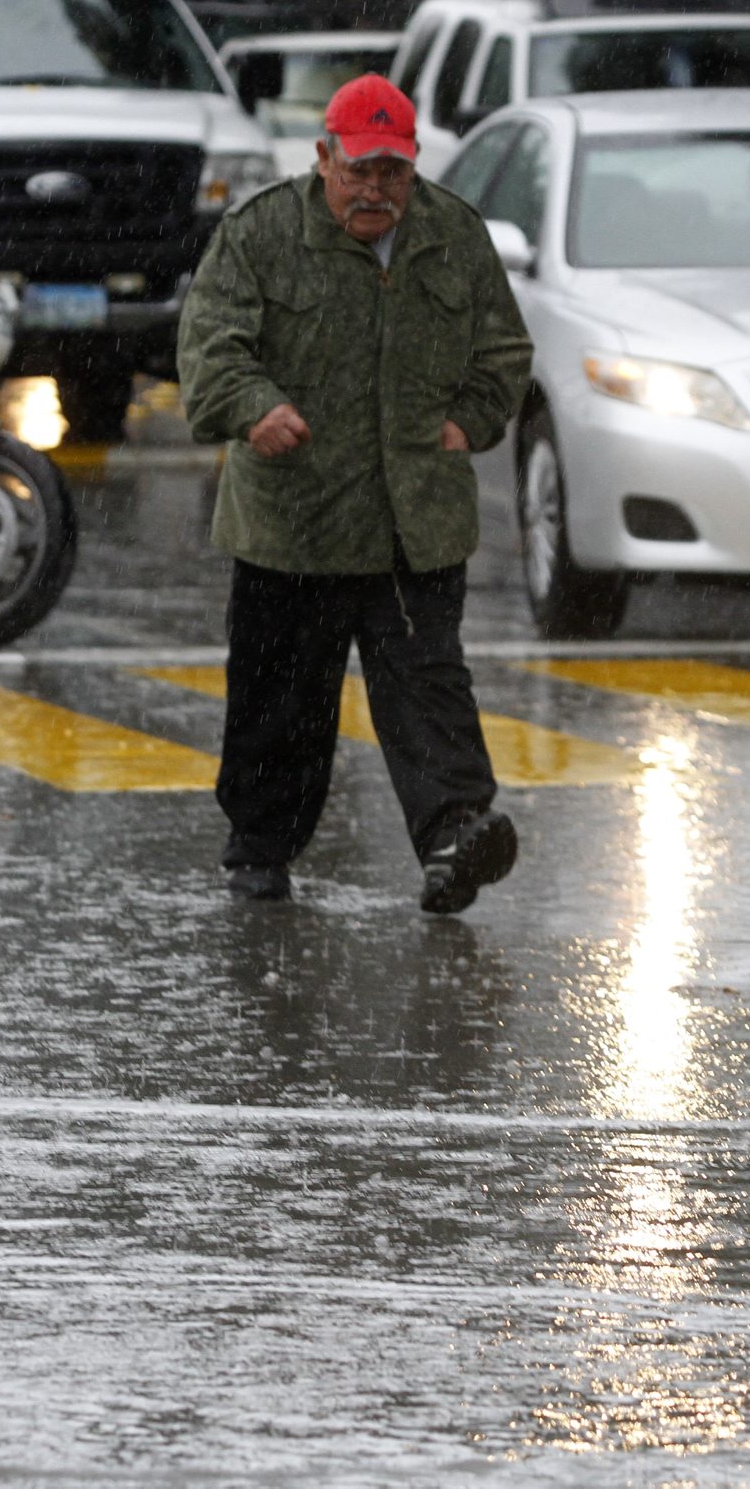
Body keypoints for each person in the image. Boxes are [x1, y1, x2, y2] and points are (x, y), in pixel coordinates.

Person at [176, 74, 533, 914]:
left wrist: (468, 423)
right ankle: (260, 850)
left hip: (414, 518)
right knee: (281, 700)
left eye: (392, 174)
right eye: (358, 172)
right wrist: (255, 406)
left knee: (427, 685)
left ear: (412, 167)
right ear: (323, 158)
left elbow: (503, 352)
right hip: (292, 521)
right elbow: (208, 349)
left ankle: (453, 837)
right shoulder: (259, 232)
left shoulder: (453, 233)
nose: (375, 191)